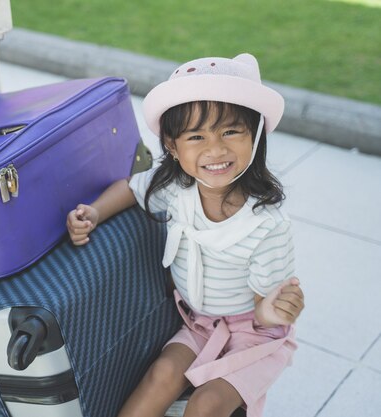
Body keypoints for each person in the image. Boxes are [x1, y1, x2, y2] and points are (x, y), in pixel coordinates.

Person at [66, 53, 305, 417]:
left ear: (255, 135)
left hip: (254, 332)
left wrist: (274, 312)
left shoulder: (267, 225)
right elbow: (131, 188)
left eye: (231, 131)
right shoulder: (175, 188)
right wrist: (95, 212)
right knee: (161, 375)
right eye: (196, 136)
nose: (216, 149)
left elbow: (263, 308)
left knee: (205, 404)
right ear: (173, 148)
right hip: (199, 323)